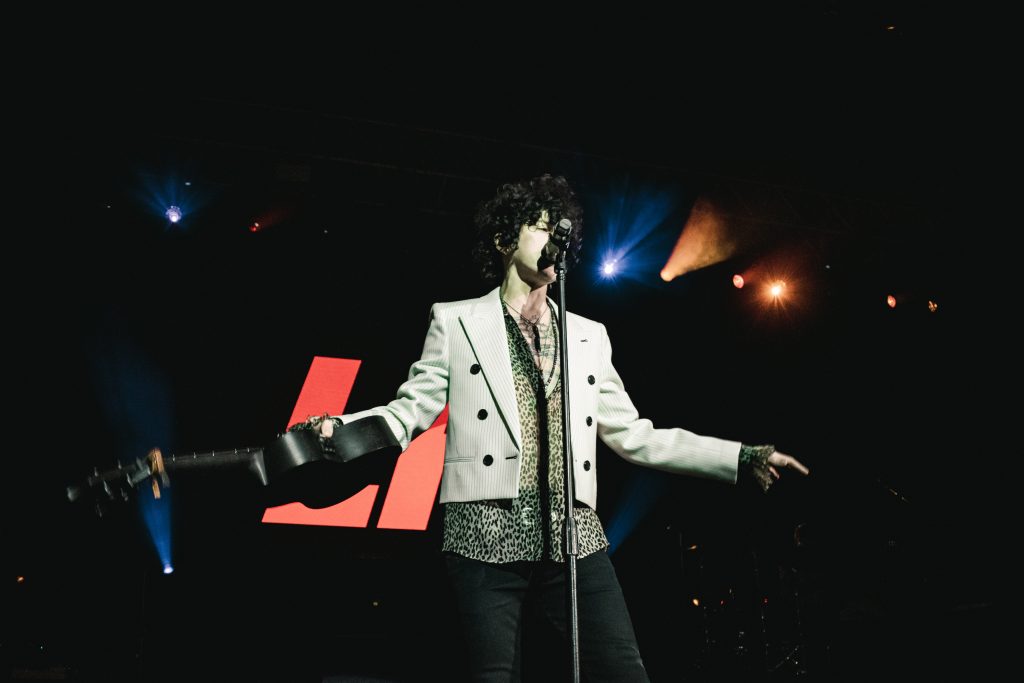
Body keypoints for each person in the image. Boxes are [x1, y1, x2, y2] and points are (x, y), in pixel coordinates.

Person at [304, 174, 809, 682]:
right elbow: (409, 409)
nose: (554, 238)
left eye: (559, 229)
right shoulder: (457, 322)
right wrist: (339, 428)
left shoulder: (588, 336)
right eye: (540, 226)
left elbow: (635, 435)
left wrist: (739, 456)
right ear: (504, 240)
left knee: (623, 671)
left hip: (572, 537)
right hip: (484, 533)